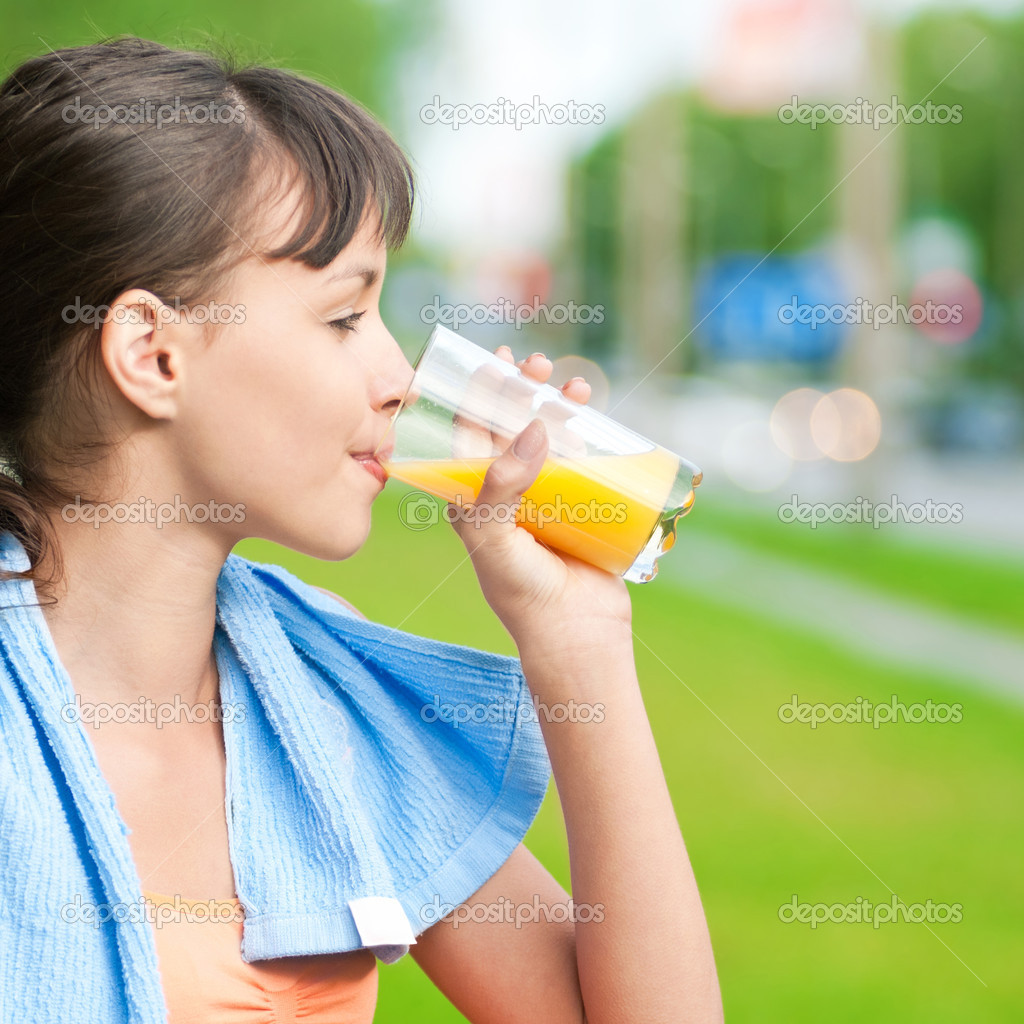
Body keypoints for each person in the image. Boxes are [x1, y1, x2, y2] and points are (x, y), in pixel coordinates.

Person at [0, 37, 723, 1024]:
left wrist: (577, 641)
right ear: (153, 353)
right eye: (345, 317)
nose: (398, 378)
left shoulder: (320, 707)